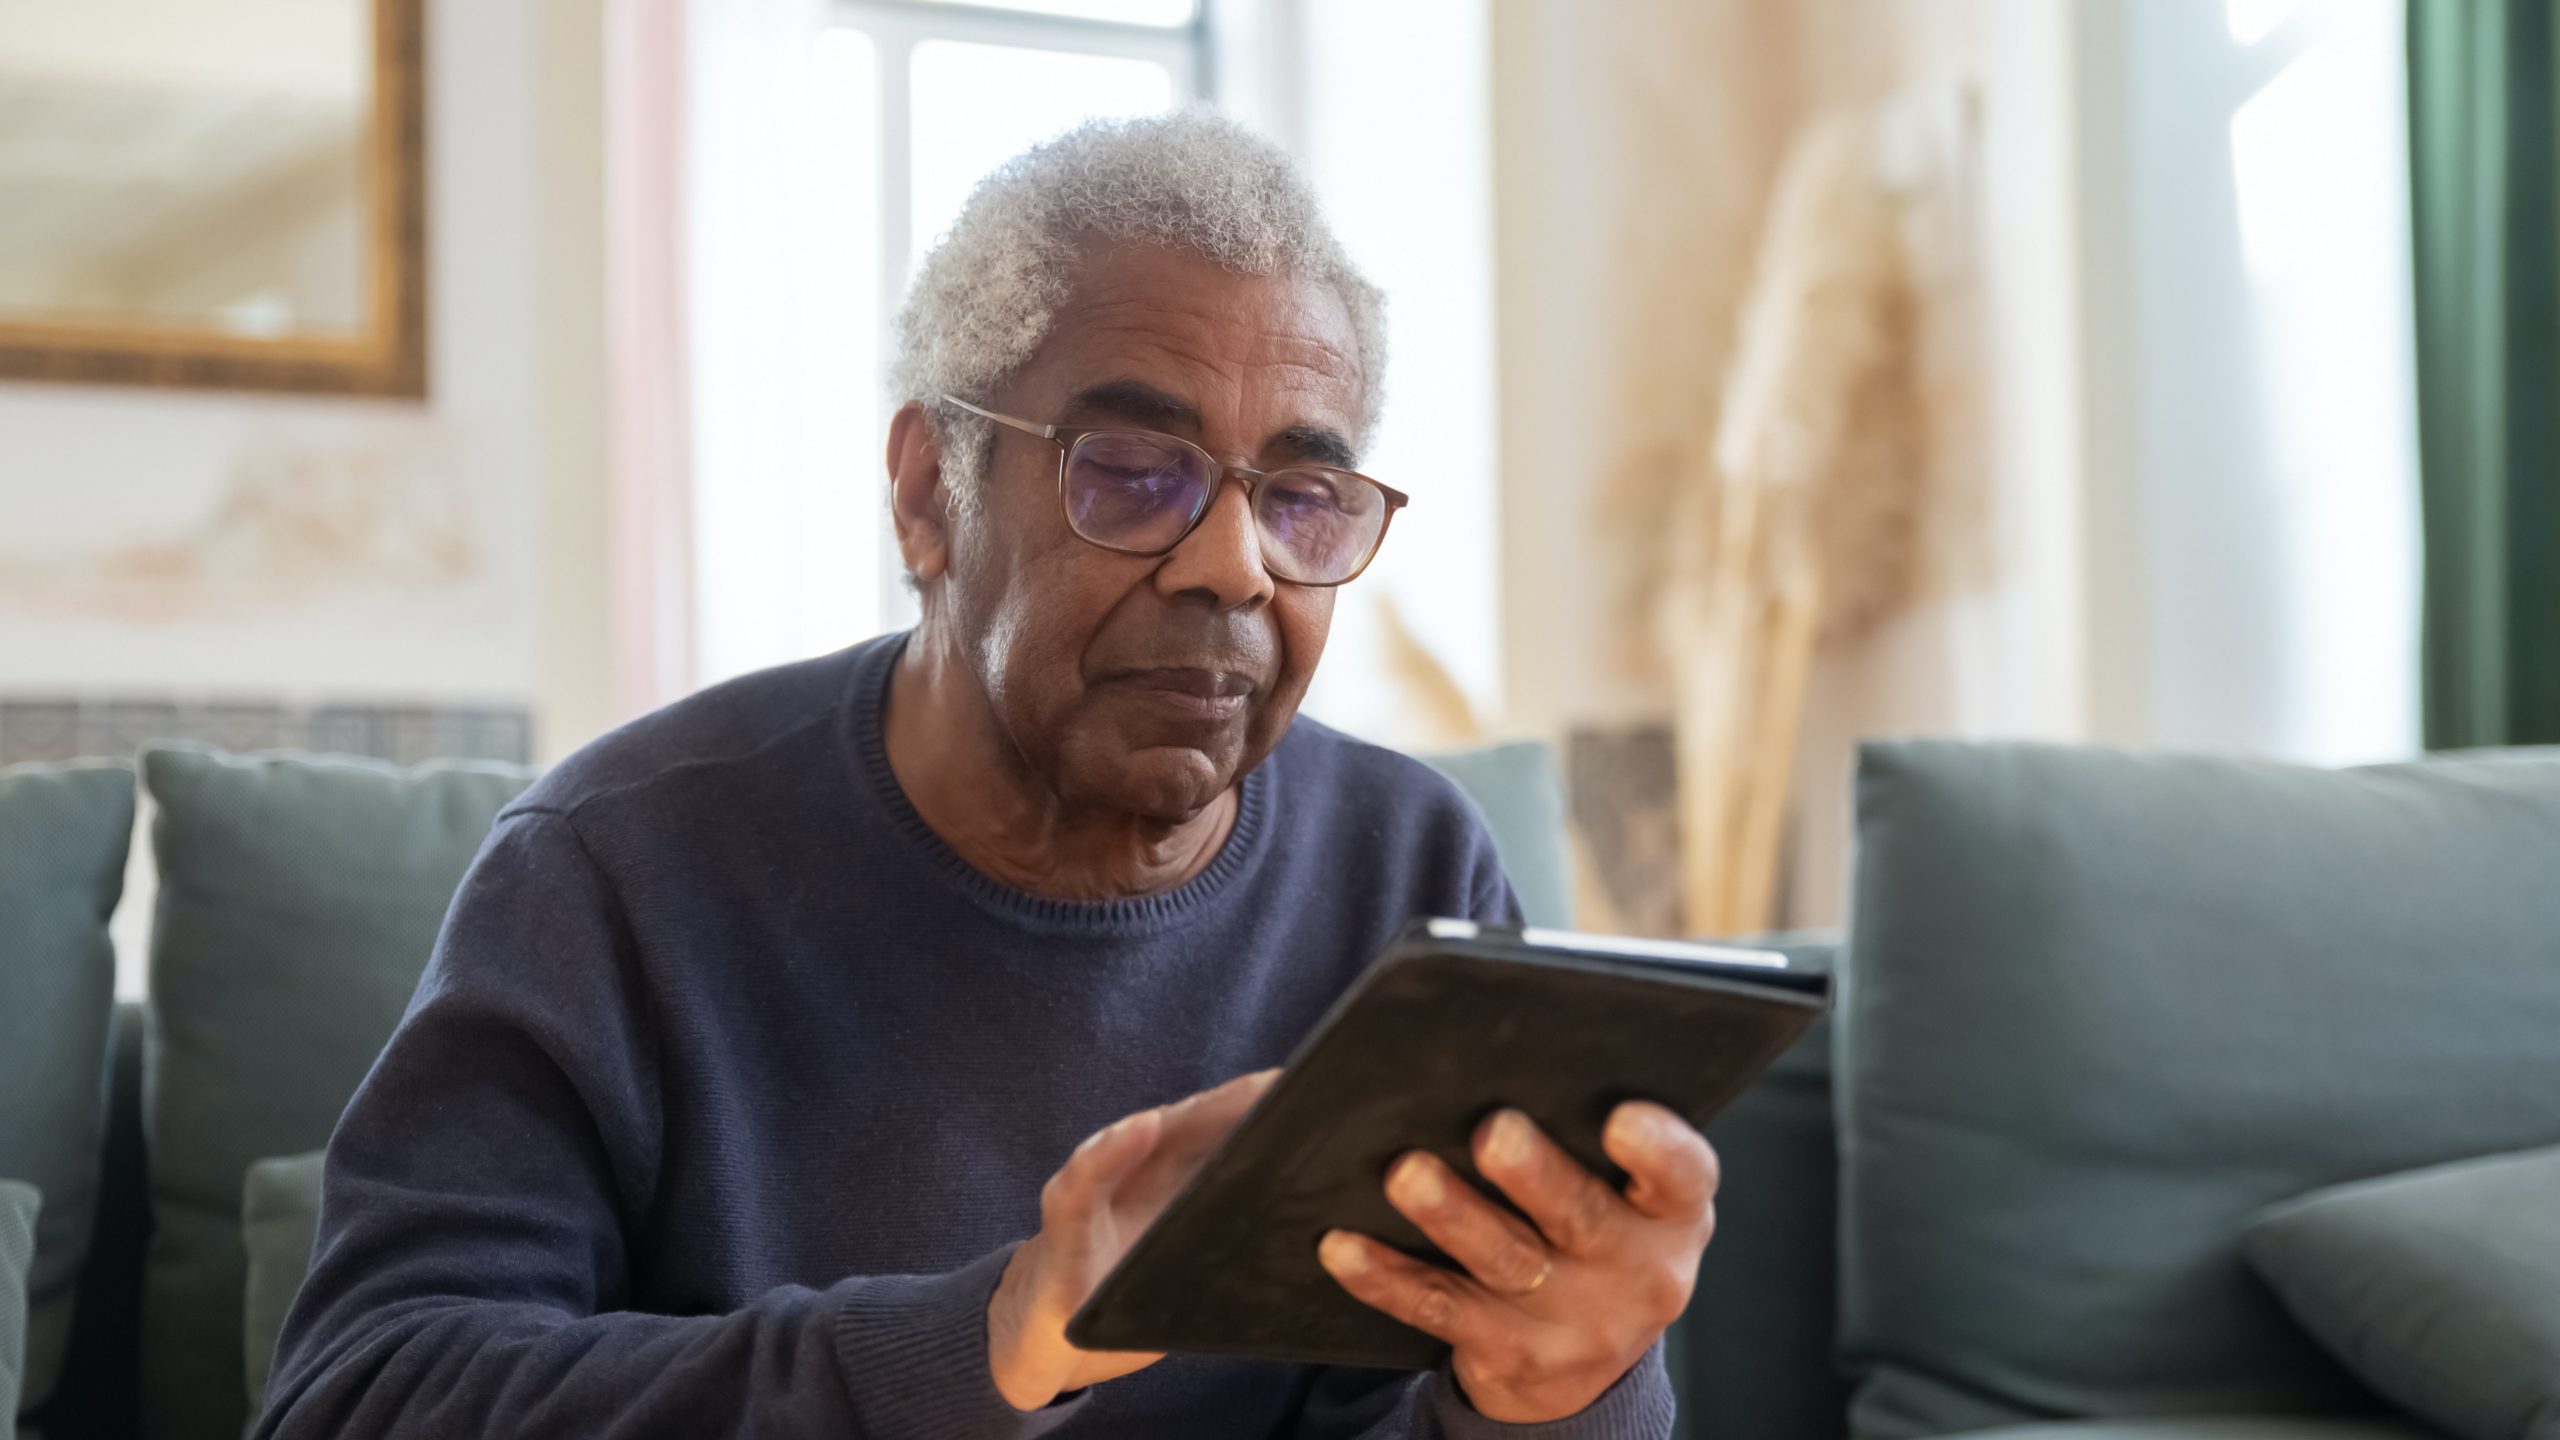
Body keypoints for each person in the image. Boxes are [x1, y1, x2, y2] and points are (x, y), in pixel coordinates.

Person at [257, 110, 1714, 1439]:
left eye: (1303, 499)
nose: (1231, 566)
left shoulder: (1408, 868)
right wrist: (989, 1343)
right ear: (926, 490)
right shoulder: (614, 868)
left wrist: (1567, 1391)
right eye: (1134, 470)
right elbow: (360, 1398)